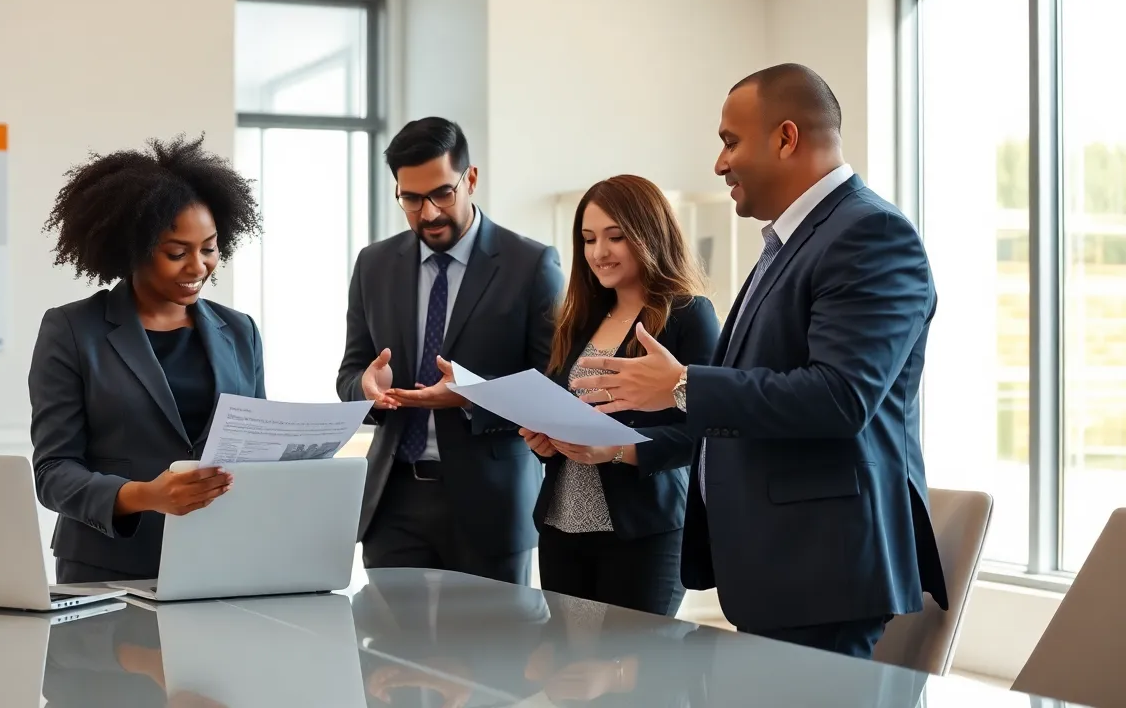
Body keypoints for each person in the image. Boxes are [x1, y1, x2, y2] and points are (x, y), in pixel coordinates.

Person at [571, 64, 948, 658]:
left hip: (823, 569)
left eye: (730, 142)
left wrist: (683, 387)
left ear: (786, 138)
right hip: (779, 564)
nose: (719, 163)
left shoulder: (870, 233)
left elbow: (840, 397)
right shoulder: (794, 241)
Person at [337, 116, 565, 586]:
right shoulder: (374, 264)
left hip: (492, 503)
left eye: (442, 193)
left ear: (471, 179)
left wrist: (472, 396)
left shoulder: (530, 265)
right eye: (411, 199)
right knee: (388, 635)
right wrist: (365, 387)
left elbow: (553, 388)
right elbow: (350, 372)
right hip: (392, 500)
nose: (429, 213)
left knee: (490, 634)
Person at [29, 134, 264, 585]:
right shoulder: (72, 330)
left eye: (209, 248)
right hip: (108, 568)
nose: (198, 267)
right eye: (177, 253)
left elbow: (256, 451)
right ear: (132, 248)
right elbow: (53, 473)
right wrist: (146, 496)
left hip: (223, 559)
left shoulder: (240, 331)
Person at [519, 175, 719, 618]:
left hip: (642, 530)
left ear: (649, 234)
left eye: (615, 237)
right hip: (562, 525)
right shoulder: (579, 320)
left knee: (633, 658)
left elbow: (707, 431)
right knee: (569, 659)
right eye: (588, 239)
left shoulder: (689, 315)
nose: (598, 252)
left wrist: (617, 450)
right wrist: (544, 442)